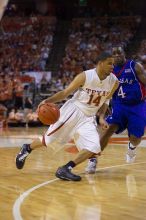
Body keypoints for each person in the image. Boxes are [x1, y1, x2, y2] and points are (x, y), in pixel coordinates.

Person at [15, 51, 119, 181]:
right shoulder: (85, 76)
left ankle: (65, 169)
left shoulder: (114, 82)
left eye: (113, 64)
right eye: (110, 63)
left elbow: (106, 101)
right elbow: (65, 93)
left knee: (94, 147)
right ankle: (27, 148)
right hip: (74, 111)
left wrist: (102, 117)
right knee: (49, 140)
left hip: (89, 117)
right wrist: (48, 101)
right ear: (100, 63)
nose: (112, 67)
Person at [85, 46, 146, 174]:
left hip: (137, 105)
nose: (117, 55)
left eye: (120, 53)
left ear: (124, 54)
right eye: (114, 53)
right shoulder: (108, 71)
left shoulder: (135, 67)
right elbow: (102, 90)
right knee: (107, 129)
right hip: (119, 105)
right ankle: (93, 159)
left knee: (136, 138)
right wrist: (103, 106)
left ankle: (132, 146)